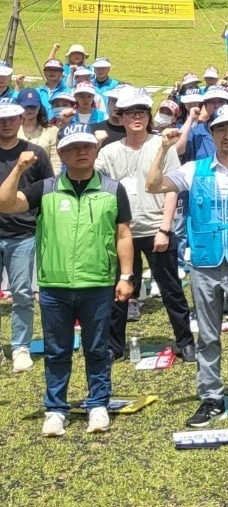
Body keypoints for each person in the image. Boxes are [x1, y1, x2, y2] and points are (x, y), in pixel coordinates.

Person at [0, 124, 135, 437]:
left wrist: (126, 276)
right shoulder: (45, 188)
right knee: (56, 350)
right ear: (61, 153)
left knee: (97, 348)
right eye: (74, 148)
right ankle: (56, 408)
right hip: (55, 287)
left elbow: (123, 234)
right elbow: (5, 203)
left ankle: (98, 404)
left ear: (95, 150)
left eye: (87, 146)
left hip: (97, 284)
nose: (82, 152)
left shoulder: (113, 189)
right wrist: (18, 170)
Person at [146, 106, 228, 428]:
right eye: (221, 130)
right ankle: (211, 398)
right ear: (213, 134)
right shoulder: (194, 169)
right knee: (207, 335)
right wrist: (163, 148)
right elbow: (153, 186)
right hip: (204, 263)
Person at [97, 89, 196, 365]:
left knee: (171, 290)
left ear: (149, 116)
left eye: (141, 112)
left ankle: (185, 341)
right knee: (119, 291)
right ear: (121, 118)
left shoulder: (161, 145)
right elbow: (96, 186)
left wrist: (165, 229)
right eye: (130, 113)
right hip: (123, 233)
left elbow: (172, 189)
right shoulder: (110, 152)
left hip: (156, 229)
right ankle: (114, 346)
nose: (136, 117)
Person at [0, 99, 55, 373]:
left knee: (22, 293)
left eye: (12, 118)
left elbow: (49, 193)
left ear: (22, 119)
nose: (7, 123)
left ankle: (20, 347)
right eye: (2, 119)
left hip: (23, 233)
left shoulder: (35, 153)